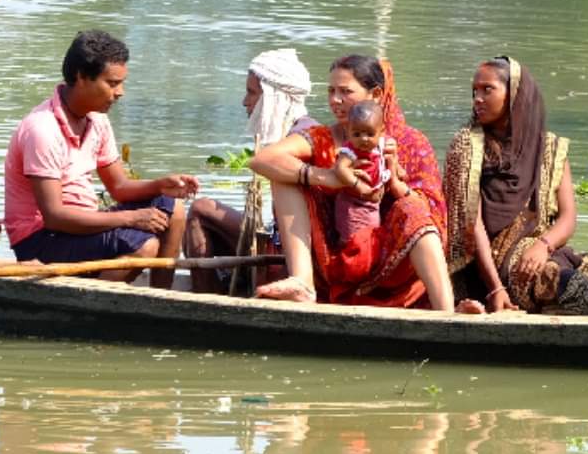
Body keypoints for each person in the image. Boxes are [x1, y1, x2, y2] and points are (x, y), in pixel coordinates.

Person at [248, 54, 457, 311]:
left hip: (393, 259)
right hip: (334, 256)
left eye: (345, 92)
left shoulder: (409, 142)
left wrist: (392, 182)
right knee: (284, 176)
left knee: (413, 209)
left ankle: (446, 312)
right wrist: (328, 177)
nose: (335, 101)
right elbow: (263, 159)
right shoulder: (324, 137)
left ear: (376, 95)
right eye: (331, 91)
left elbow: (433, 209)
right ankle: (302, 282)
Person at [2, 30, 200, 286]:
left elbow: (119, 187)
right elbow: (54, 216)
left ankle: (162, 297)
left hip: (78, 226)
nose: (120, 93)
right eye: (112, 83)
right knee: (144, 246)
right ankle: (92, 308)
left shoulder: (97, 120)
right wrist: (132, 218)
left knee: (175, 209)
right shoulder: (42, 129)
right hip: (42, 239)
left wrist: (160, 185)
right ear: (81, 77)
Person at [441, 56, 588, 315]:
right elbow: (470, 225)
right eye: (475, 91)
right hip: (493, 261)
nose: (477, 98)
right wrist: (496, 289)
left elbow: (568, 217)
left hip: (542, 249)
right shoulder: (466, 146)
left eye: (488, 90)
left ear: (515, 95)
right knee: (575, 290)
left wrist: (543, 245)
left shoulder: (550, 147)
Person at [184, 48, 315, 293]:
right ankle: (214, 294)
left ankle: (205, 303)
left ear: (274, 97)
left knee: (201, 209)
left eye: (252, 93)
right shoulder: (301, 130)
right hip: (282, 245)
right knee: (201, 211)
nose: (246, 102)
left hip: (293, 255)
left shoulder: (301, 137)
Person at [325, 100, 392, 284]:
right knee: (352, 240)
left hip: (372, 205)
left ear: (381, 131)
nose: (363, 139)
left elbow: (387, 164)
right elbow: (340, 169)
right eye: (357, 134)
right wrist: (358, 186)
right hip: (352, 205)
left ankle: (363, 273)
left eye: (370, 134)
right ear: (349, 132)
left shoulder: (381, 146)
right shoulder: (350, 150)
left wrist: (397, 169)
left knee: (370, 237)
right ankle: (347, 274)